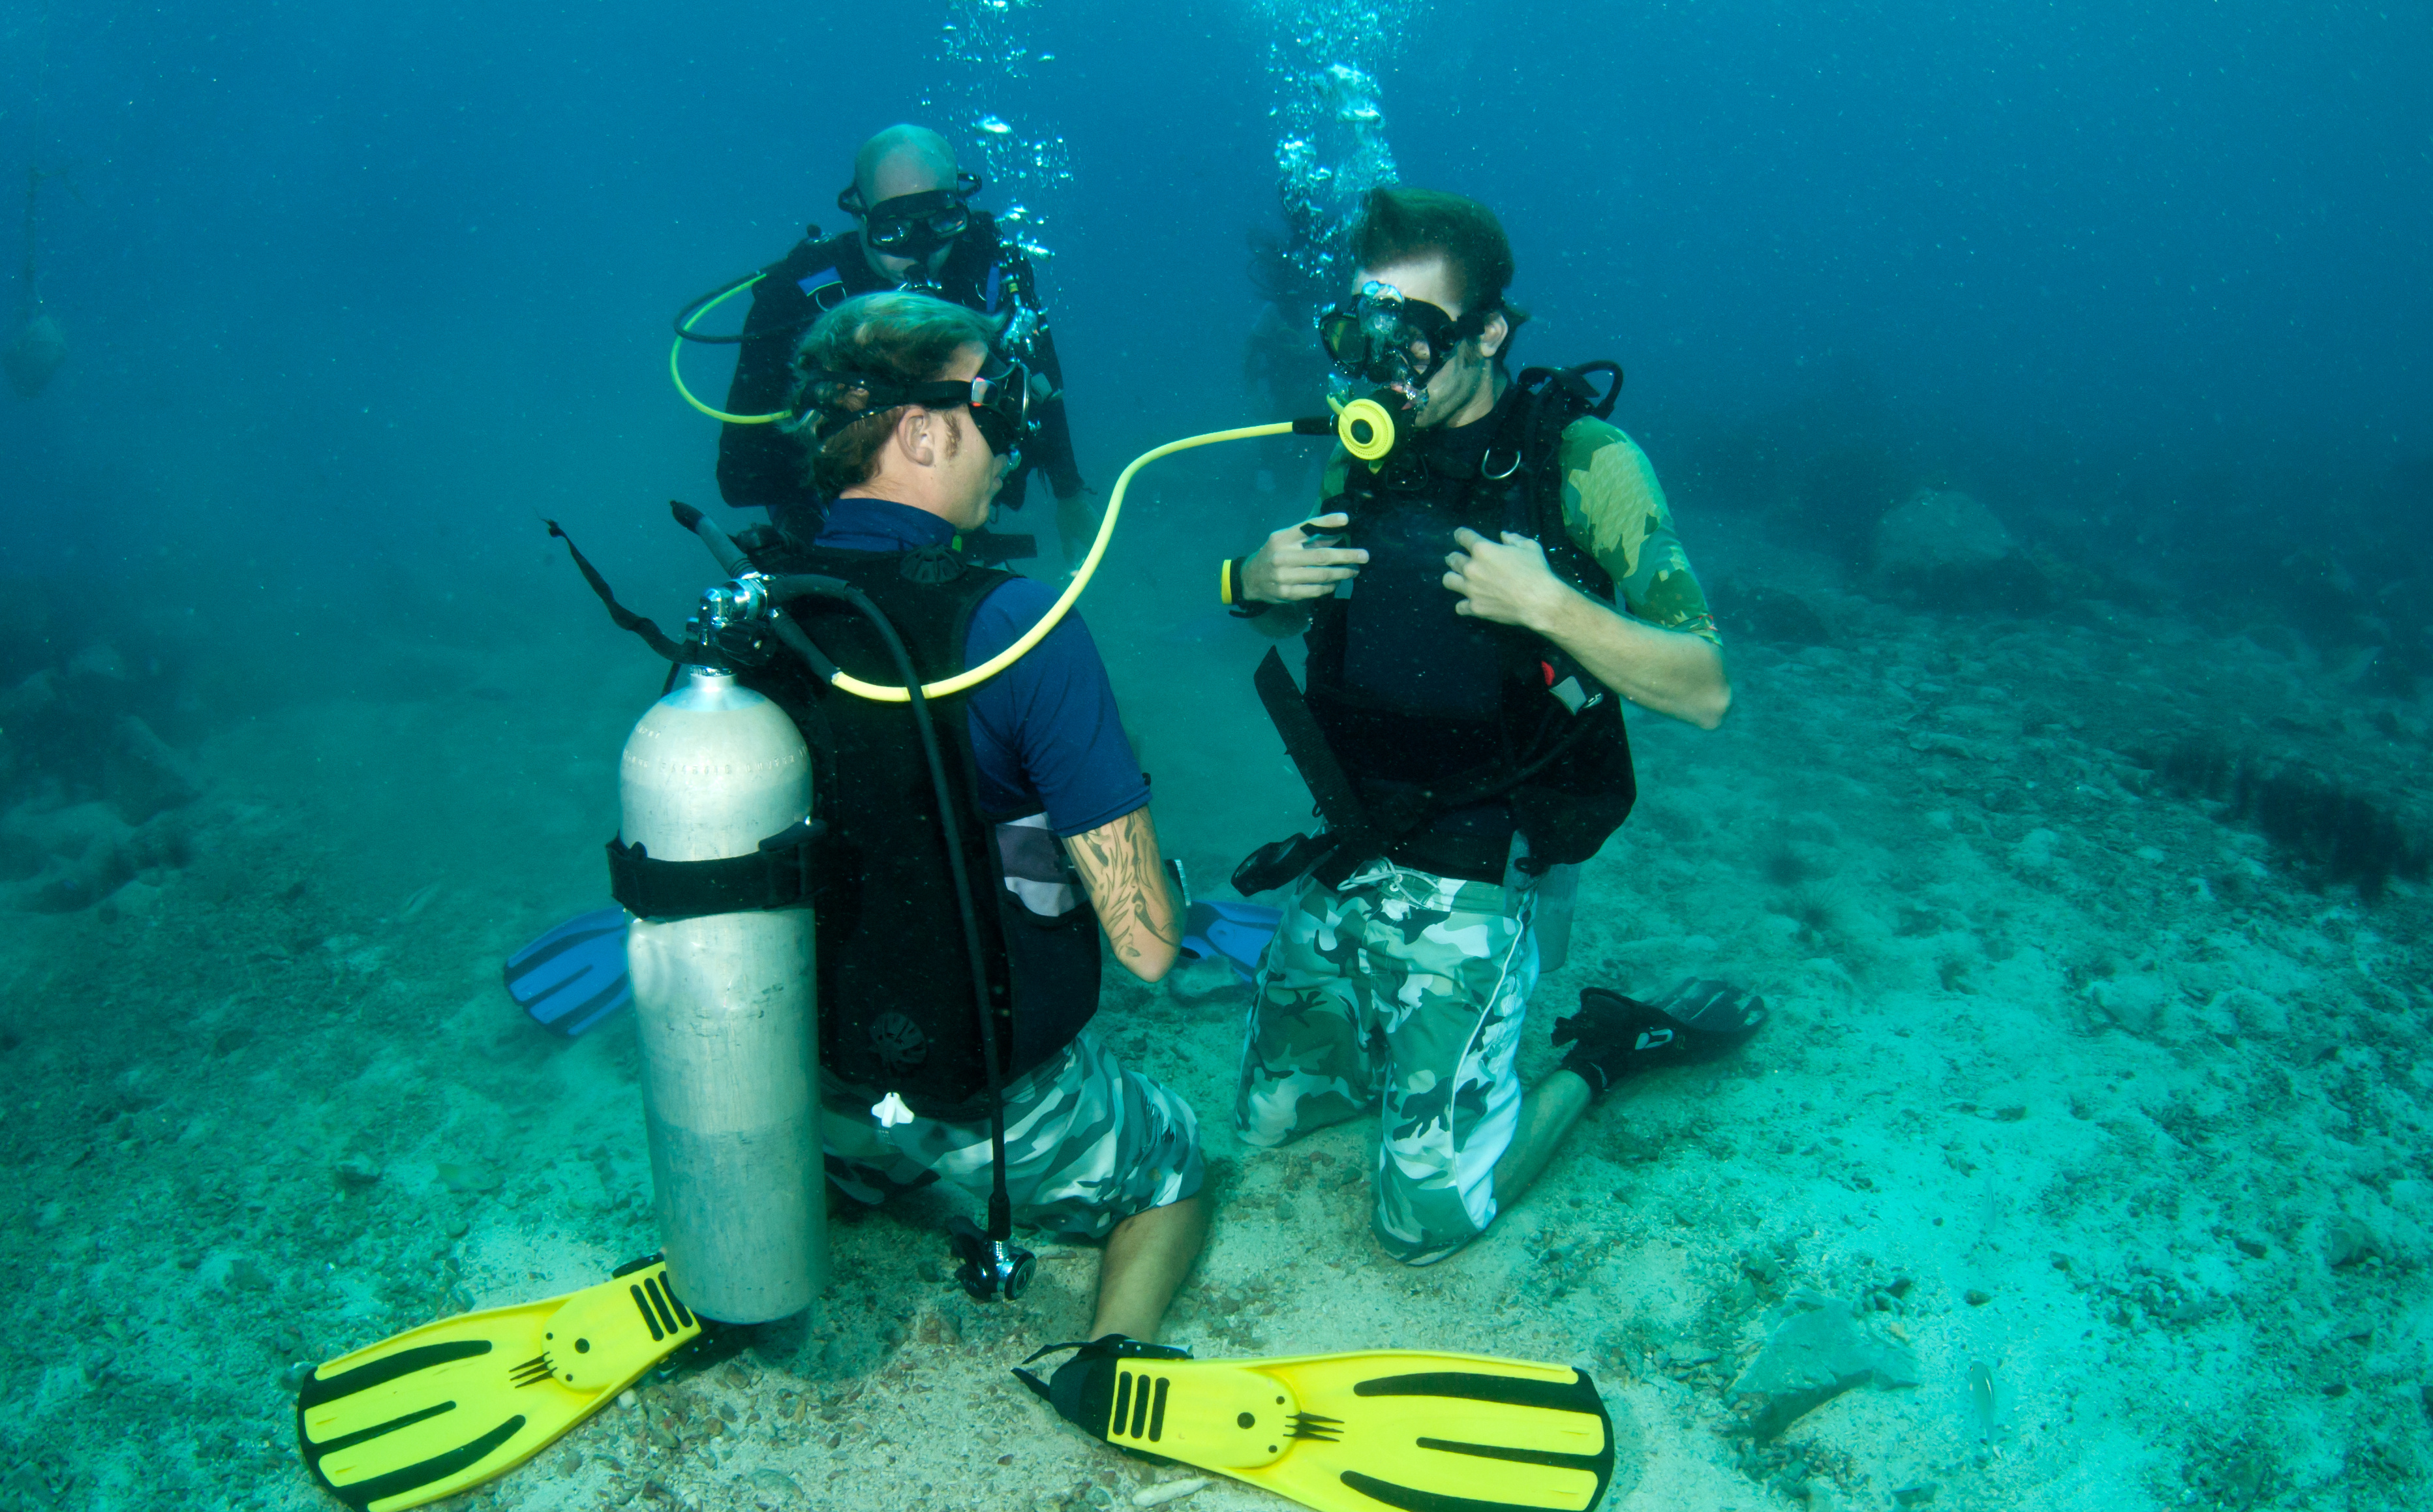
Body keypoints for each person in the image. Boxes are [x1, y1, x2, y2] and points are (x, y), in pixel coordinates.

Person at [1220, 187, 1734, 1265]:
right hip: (1352, 839)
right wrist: (1249, 581)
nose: (1382, 363)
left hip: (1489, 858)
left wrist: (1546, 603)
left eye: (1411, 334)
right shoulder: (1362, 450)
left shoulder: (1584, 462)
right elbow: (1308, 607)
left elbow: (1702, 687)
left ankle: (1599, 1052)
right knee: (1267, 1125)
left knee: (1422, 1226)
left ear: (1489, 329)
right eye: (1360, 331)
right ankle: (1405, 1037)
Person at [745, 289, 1204, 1340]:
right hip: (984, 1094)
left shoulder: (755, 612)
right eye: (996, 414)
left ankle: (836, 1189)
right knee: (1176, 1166)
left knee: (858, 1132)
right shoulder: (1014, 623)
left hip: (803, 1079)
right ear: (916, 429)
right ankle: (1111, 1357)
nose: (1013, 448)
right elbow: (1143, 949)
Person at [714, 125, 1101, 556]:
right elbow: (740, 474)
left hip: (958, 519)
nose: (920, 249)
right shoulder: (795, 297)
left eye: (941, 221)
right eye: (893, 228)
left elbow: (1040, 380)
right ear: (859, 210)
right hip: (835, 535)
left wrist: (1068, 493)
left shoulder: (991, 265)